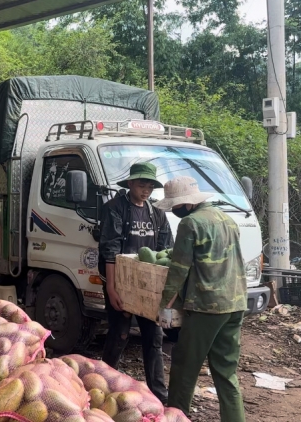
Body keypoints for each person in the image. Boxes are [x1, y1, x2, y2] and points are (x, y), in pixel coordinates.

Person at [155, 176, 247, 422]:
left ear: (186, 204)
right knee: (226, 373)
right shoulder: (227, 219)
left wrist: (165, 305)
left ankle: (175, 417)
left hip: (207, 306)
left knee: (185, 368)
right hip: (235, 303)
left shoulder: (191, 223)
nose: (173, 210)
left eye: (174, 205)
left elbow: (178, 269)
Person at [98, 162, 171, 403]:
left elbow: (165, 252)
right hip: (120, 282)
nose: (146, 189)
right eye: (142, 184)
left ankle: (159, 396)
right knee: (119, 334)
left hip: (149, 286)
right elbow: (110, 248)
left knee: (154, 337)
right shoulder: (114, 209)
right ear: (130, 184)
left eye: (150, 186)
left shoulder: (157, 214)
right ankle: (104, 386)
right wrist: (111, 287)